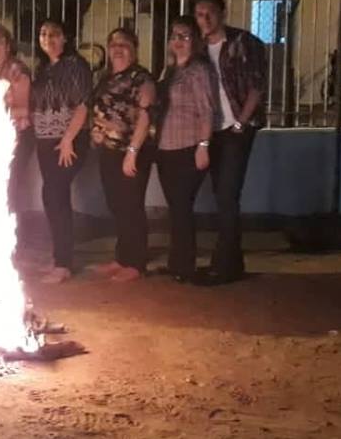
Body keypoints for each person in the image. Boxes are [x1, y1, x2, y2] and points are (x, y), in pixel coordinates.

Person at [194, 0, 267, 283]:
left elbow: (256, 85)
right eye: (199, 14)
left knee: (227, 194)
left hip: (236, 128)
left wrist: (241, 123)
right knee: (222, 194)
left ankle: (225, 264)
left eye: (209, 13)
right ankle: (230, 261)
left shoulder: (243, 42)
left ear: (222, 13)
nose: (204, 19)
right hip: (211, 130)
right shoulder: (199, 48)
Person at [90, 27, 156, 282]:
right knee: (116, 204)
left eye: (124, 44)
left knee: (131, 205)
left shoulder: (141, 78)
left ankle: (136, 262)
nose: (118, 49)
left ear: (134, 49)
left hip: (132, 151)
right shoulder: (105, 77)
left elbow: (145, 116)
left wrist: (132, 152)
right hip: (108, 150)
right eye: (114, 44)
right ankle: (122, 257)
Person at [30, 19, 93, 284]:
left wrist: (68, 140)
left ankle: (63, 263)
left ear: (66, 38)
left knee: (55, 195)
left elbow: (83, 105)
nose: (48, 39)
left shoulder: (75, 65)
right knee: (53, 195)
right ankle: (60, 257)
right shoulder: (44, 68)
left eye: (54, 34)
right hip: (46, 141)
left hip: (66, 141)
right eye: (43, 34)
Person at [155, 15, 214, 284]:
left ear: (195, 41)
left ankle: (185, 264)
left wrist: (203, 145)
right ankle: (176, 261)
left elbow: (207, 110)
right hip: (166, 148)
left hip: (188, 147)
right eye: (174, 36)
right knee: (175, 207)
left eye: (185, 36)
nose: (178, 41)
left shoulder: (198, 70)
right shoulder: (170, 71)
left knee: (181, 206)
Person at [0, 23, 33, 216]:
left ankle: (12, 229)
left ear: (8, 45)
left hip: (15, 137)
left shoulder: (16, 70)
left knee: (9, 185)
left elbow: (23, 110)